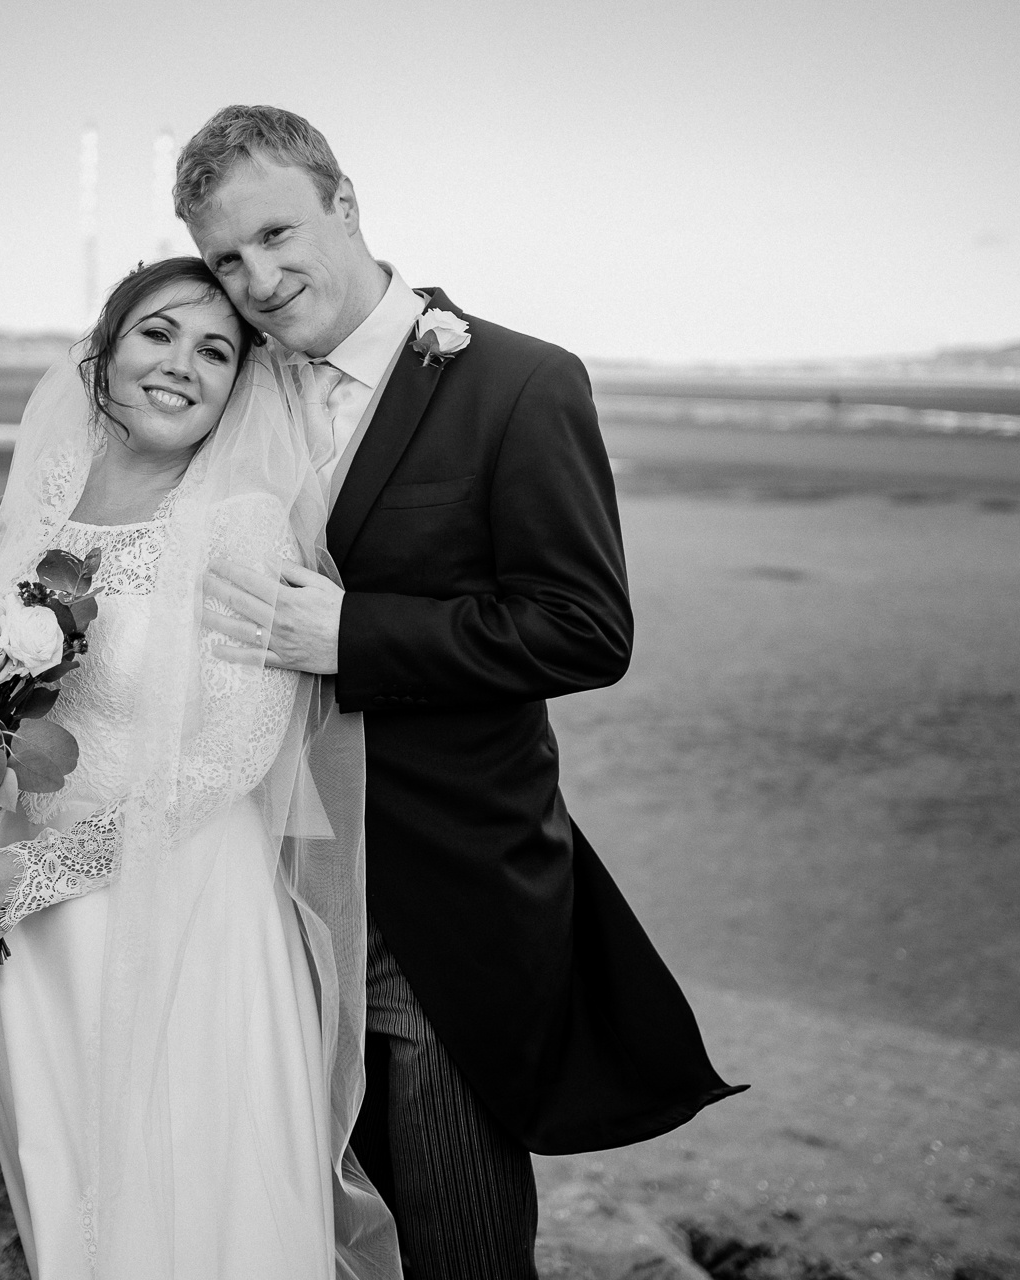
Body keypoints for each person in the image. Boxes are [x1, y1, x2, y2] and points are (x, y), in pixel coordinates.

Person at [177, 106, 743, 1277]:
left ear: (345, 201)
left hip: (438, 891)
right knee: (313, 1233)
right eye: (229, 260)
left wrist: (355, 633)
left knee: (457, 1243)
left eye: (279, 232)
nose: (262, 279)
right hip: (260, 888)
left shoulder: (521, 383)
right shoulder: (233, 394)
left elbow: (584, 629)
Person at [0, 256, 400, 1279]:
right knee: (71, 1181)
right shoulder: (35, 511)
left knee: (191, 1189)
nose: (183, 363)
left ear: (239, 387)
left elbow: (237, 750)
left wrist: (42, 873)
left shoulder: (240, 523)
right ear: (103, 351)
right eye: (158, 333)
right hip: (37, 911)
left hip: (180, 898)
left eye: (216, 350)